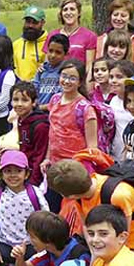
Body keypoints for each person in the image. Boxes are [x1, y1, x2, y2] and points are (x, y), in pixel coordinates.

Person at [44, 59, 98, 212]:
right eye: (64, 76)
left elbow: (92, 148)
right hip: (55, 168)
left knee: (74, 211)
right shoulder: (54, 100)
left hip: (74, 172)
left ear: (80, 82)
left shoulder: (85, 108)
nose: (67, 81)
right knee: (54, 210)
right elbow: (52, 133)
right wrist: (47, 158)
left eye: (72, 78)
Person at [7, 81, 49, 187]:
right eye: (15, 100)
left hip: (34, 180)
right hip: (23, 173)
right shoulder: (20, 119)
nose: (19, 104)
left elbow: (39, 156)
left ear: (34, 102)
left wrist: (32, 184)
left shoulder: (40, 126)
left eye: (25, 100)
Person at [96, 0, 134, 75]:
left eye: (123, 16)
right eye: (115, 15)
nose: (118, 18)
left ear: (129, 18)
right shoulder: (101, 40)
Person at [44, 0, 97, 70]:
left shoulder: (89, 36)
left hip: (78, 75)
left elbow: (89, 66)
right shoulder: (52, 35)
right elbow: (47, 62)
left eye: (72, 9)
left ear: (79, 13)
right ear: (61, 13)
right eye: (65, 10)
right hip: (55, 75)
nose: (68, 13)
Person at [108, 60, 134, 160]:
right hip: (116, 154)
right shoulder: (113, 101)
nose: (113, 81)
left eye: (119, 77)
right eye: (111, 77)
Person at [32, 33, 70, 110]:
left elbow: (64, 100)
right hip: (38, 112)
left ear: (66, 54)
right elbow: (33, 91)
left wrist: (40, 108)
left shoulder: (66, 73)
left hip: (56, 113)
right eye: (50, 51)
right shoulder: (42, 70)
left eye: (58, 52)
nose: (53, 55)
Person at [13, 5, 48, 81]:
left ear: (43, 23)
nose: (30, 26)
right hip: (18, 86)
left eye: (35, 22)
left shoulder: (48, 44)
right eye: (28, 21)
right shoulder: (16, 44)